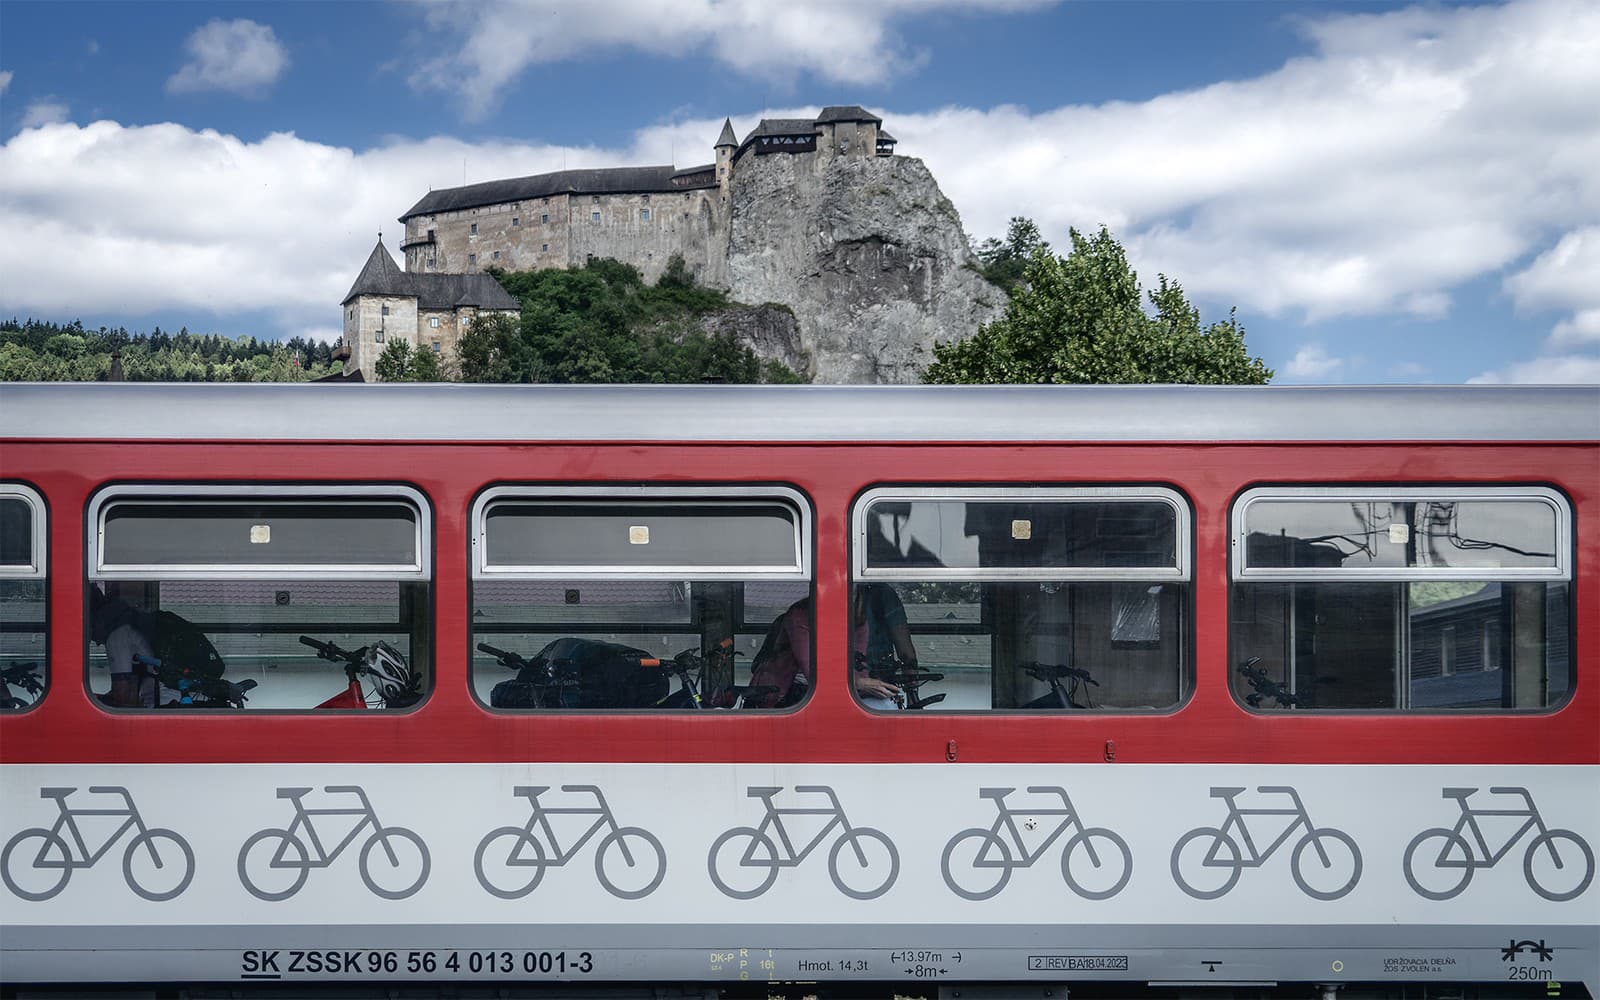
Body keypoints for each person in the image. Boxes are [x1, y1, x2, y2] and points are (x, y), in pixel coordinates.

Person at [89, 586, 159, 707]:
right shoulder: (125, 622)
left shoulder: (117, 638)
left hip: (156, 702)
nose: (95, 642)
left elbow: (123, 696)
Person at [852, 583, 918, 710]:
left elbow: (906, 654)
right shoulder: (883, 594)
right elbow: (905, 651)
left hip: (878, 687)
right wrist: (912, 699)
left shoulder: (882, 594)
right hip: (878, 691)